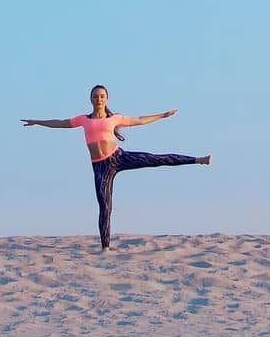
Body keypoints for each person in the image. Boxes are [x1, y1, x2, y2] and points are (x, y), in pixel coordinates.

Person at [22, 85, 210, 250]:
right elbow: (61, 123)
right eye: (95, 96)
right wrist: (38, 122)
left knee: (156, 159)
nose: (99, 99)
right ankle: (105, 248)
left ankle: (198, 160)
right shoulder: (83, 120)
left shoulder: (115, 119)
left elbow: (139, 119)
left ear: (106, 99)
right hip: (100, 167)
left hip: (118, 157)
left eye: (102, 96)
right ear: (90, 99)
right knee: (105, 206)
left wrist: (162, 115)